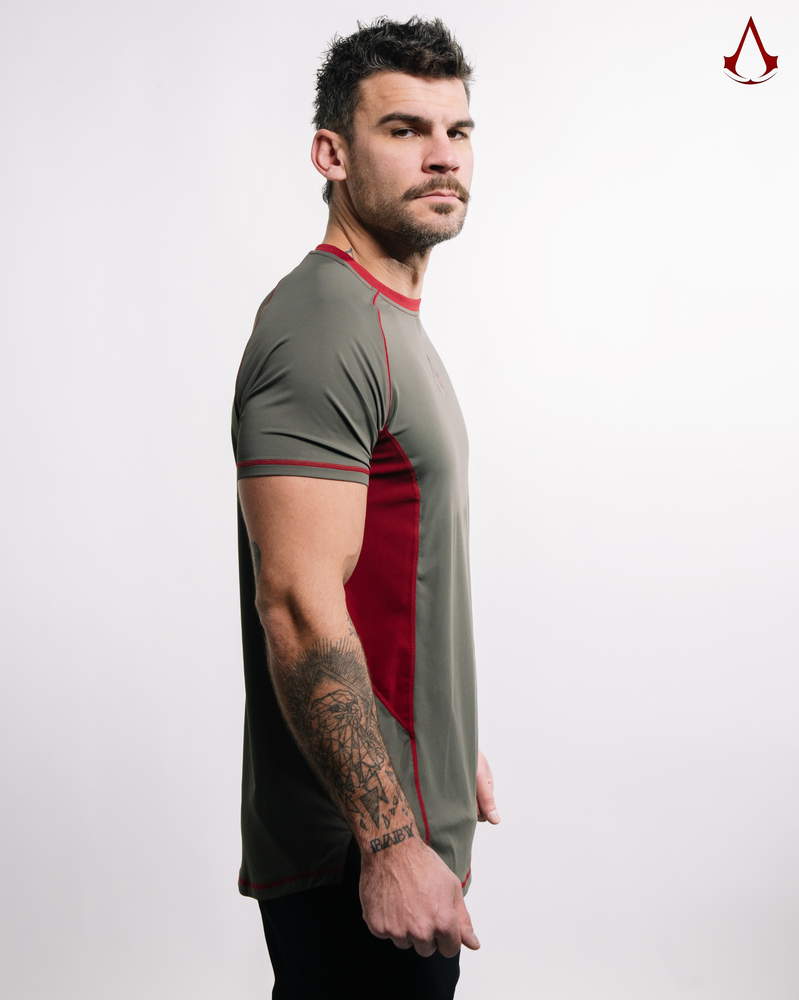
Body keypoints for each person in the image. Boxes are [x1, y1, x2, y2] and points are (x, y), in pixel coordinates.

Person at [232, 17, 499, 998]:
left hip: (401, 816)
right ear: (331, 154)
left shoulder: (387, 319)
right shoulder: (323, 324)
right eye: (403, 129)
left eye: (456, 130)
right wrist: (388, 837)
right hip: (357, 851)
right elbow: (299, 604)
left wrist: (445, 734)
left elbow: (390, 564)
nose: (442, 155)